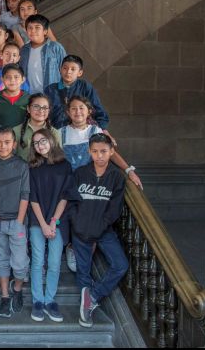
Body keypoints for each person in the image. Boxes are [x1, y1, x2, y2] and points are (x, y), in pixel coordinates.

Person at [66, 133, 129, 328]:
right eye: (95, 151)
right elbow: (72, 203)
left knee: (120, 264)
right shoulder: (80, 173)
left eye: (103, 151)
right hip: (81, 230)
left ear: (111, 152)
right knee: (83, 271)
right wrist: (77, 224)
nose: (99, 156)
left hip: (103, 231)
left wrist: (98, 229)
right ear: (89, 152)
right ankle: (86, 309)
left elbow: (114, 209)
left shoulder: (116, 177)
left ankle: (93, 295)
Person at [28, 128, 74, 324]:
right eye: (36, 143)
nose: (41, 145)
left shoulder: (64, 166)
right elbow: (33, 198)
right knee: (38, 260)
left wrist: (53, 221)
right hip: (37, 221)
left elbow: (65, 195)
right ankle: (38, 301)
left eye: (43, 140)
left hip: (58, 222)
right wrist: (43, 224)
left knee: (55, 262)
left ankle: (50, 300)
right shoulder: (32, 167)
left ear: (52, 140)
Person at [0, 127, 30, 319]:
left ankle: (17, 288)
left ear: (14, 144)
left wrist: (20, 221)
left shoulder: (21, 165)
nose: (3, 146)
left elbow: (25, 194)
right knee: (1, 261)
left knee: (20, 263)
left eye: (7, 142)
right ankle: (5, 296)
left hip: (16, 221)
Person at [60, 96, 142, 188]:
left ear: (89, 111)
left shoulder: (96, 131)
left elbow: (111, 153)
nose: (78, 112)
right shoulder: (61, 133)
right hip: (68, 183)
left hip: (90, 183)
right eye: (73, 109)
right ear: (68, 112)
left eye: (81, 108)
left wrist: (129, 170)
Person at [45, 55, 109, 130]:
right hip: (56, 131)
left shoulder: (85, 87)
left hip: (82, 132)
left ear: (80, 73)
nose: (68, 72)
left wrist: (102, 129)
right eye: (65, 68)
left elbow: (99, 111)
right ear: (60, 70)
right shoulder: (50, 89)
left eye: (73, 69)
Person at [19, 14, 67, 95]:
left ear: (45, 31)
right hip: (30, 96)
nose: (33, 31)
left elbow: (66, 71)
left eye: (37, 27)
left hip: (52, 95)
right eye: (30, 28)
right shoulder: (24, 50)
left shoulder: (55, 47)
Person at [15, 93, 62, 162]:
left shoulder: (54, 132)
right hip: (23, 171)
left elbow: (58, 157)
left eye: (45, 107)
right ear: (28, 109)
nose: (41, 110)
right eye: (36, 106)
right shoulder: (16, 130)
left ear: (49, 111)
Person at [0, 64, 31, 129]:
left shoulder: (29, 99)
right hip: (1, 138)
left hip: (23, 138)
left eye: (16, 77)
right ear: (2, 79)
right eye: (8, 77)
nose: (12, 80)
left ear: (23, 79)